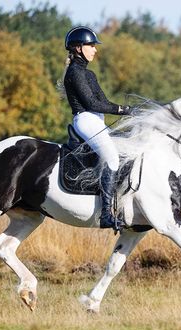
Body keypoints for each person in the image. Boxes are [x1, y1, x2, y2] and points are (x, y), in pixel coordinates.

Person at [63, 26, 133, 231]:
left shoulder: (89, 75)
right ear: (78, 47)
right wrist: (123, 109)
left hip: (97, 121)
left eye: (94, 46)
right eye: (91, 45)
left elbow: (104, 101)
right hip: (85, 119)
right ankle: (106, 215)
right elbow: (92, 104)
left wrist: (129, 111)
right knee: (112, 158)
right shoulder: (74, 73)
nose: (95, 49)